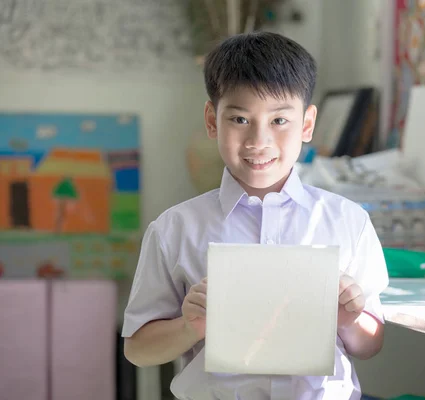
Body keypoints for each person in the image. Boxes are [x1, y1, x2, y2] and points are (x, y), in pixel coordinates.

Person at [122, 31, 389, 400]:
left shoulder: (348, 221)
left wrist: (349, 319)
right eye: (240, 119)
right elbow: (137, 349)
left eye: (280, 121)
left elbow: (370, 344)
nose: (258, 141)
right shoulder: (175, 228)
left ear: (307, 124)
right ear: (212, 120)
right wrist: (189, 326)